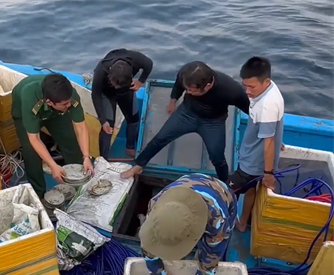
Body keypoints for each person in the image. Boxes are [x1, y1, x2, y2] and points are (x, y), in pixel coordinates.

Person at [121, 61, 250, 183]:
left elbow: (249, 108)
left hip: (213, 122)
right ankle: (139, 165)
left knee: (217, 157)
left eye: (192, 90)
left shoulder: (231, 90)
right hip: (187, 113)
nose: (188, 92)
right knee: (160, 138)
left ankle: (224, 183)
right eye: (187, 89)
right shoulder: (186, 73)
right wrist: (173, 101)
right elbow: (178, 84)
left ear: (208, 86)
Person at [140, 173, 238, 275]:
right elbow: (148, 243)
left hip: (222, 194)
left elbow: (212, 253)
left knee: (215, 246)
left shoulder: (217, 220)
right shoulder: (156, 204)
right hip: (186, 183)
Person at [11, 73, 94, 198]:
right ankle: (39, 194)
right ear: (49, 102)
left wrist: (86, 157)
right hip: (26, 113)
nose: (69, 105)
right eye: (66, 103)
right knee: (31, 153)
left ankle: (78, 183)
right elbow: (34, 138)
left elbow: (81, 128)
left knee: (70, 141)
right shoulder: (30, 97)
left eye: (69, 102)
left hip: (57, 113)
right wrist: (52, 165)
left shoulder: (69, 97)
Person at [227, 57, 284, 232]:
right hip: (251, 156)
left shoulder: (267, 104)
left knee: (225, 191)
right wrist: (278, 139)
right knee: (251, 190)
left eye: (251, 87)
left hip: (252, 165)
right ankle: (243, 222)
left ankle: (222, 225)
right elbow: (272, 128)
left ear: (266, 81)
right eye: (245, 86)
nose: (247, 91)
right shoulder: (270, 88)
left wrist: (268, 174)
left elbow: (268, 144)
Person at [91, 49, 154, 159]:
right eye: (114, 84)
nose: (116, 87)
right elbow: (96, 95)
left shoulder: (135, 59)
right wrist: (103, 120)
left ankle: (130, 148)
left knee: (134, 120)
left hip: (126, 92)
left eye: (118, 85)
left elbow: (149, 64)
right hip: (108, 95)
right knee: (107, 127)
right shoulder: (101, 70)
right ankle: (103, 160)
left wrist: (140, 81)